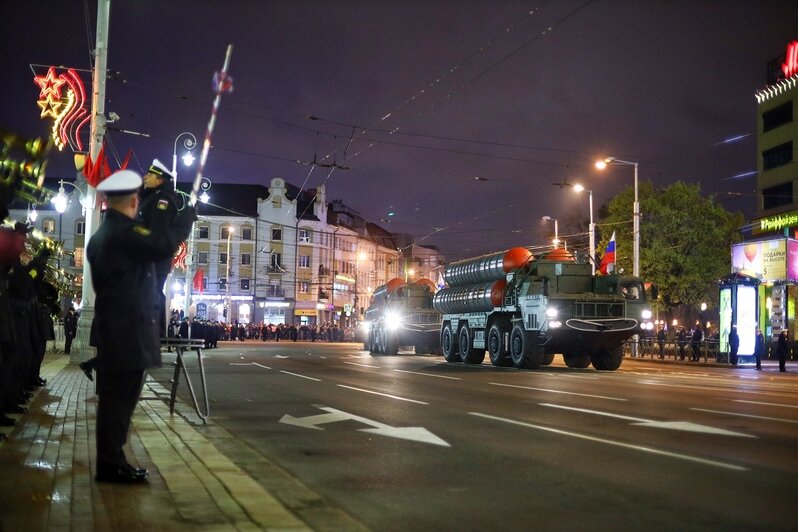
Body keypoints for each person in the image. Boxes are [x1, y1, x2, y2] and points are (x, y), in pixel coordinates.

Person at [87, 169, 195, 483]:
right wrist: (186, 217)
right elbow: (161, 245)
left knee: (114, 400)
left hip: (116, 326)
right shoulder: (124, 233)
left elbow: (155, 248)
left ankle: (111, 460)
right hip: (127, 328)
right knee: (120, 401)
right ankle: (111, 464)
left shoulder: (103, 235)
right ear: (134, 201)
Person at [138, 159, 180, 337]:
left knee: (152, 291)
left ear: (160, 179)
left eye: (150, 175)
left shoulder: (162, 200)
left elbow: (157, 230)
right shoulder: (152, 197)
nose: (145, 177)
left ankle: (157, 331)